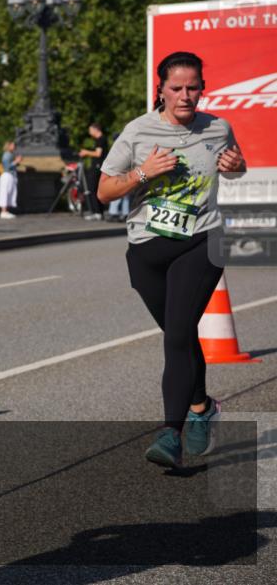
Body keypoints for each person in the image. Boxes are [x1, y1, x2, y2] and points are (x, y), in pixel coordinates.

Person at [98, 51, 246, 468]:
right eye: (176, 88)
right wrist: (145, 173)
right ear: (160, 90)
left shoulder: (218, 127)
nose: (185, 96)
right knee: (178, 336)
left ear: (203, 88)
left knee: (178, 333)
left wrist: (236, 166)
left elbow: (235, 165)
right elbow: (105, 192)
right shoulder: (138, 131)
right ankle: (201, 406)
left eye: (193, 87)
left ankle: (170, 433)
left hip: (203, 241)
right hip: (147, 248)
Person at [79, 122, 110, 220]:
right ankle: (99, 212)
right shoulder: (101, 139)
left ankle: (97, 212)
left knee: (92, 188)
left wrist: (85, 152)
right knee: (96, 189)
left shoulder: (100, 140)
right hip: (99, 166)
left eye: (90, 130)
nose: (89, 132)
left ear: (95, 129)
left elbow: (98, 154)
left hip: (97, 167)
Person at [0, 140, 22, 219]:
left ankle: (5, 210)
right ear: (9, 146)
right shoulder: (7, 155)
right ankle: (3, 211)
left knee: (8, 192)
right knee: (5, 193)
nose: (14, 147)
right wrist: (16, 161)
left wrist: (17, 162)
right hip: (7, 175)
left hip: (9, 175)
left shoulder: (10, 154)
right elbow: (7, 166)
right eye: (13, 145)